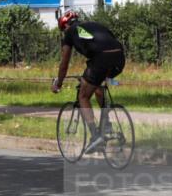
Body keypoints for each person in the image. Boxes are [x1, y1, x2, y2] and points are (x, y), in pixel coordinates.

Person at [51, 10, 125, 153]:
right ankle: (107, 124)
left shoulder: (70, 32)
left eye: (62, 30)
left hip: (100, 59)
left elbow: (64, 63)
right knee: (95, 85)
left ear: (65, 26)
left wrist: (58, 83)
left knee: (83, 96)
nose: (63, 33)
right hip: (119, 58)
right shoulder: (93, 24)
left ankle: (95, 136)